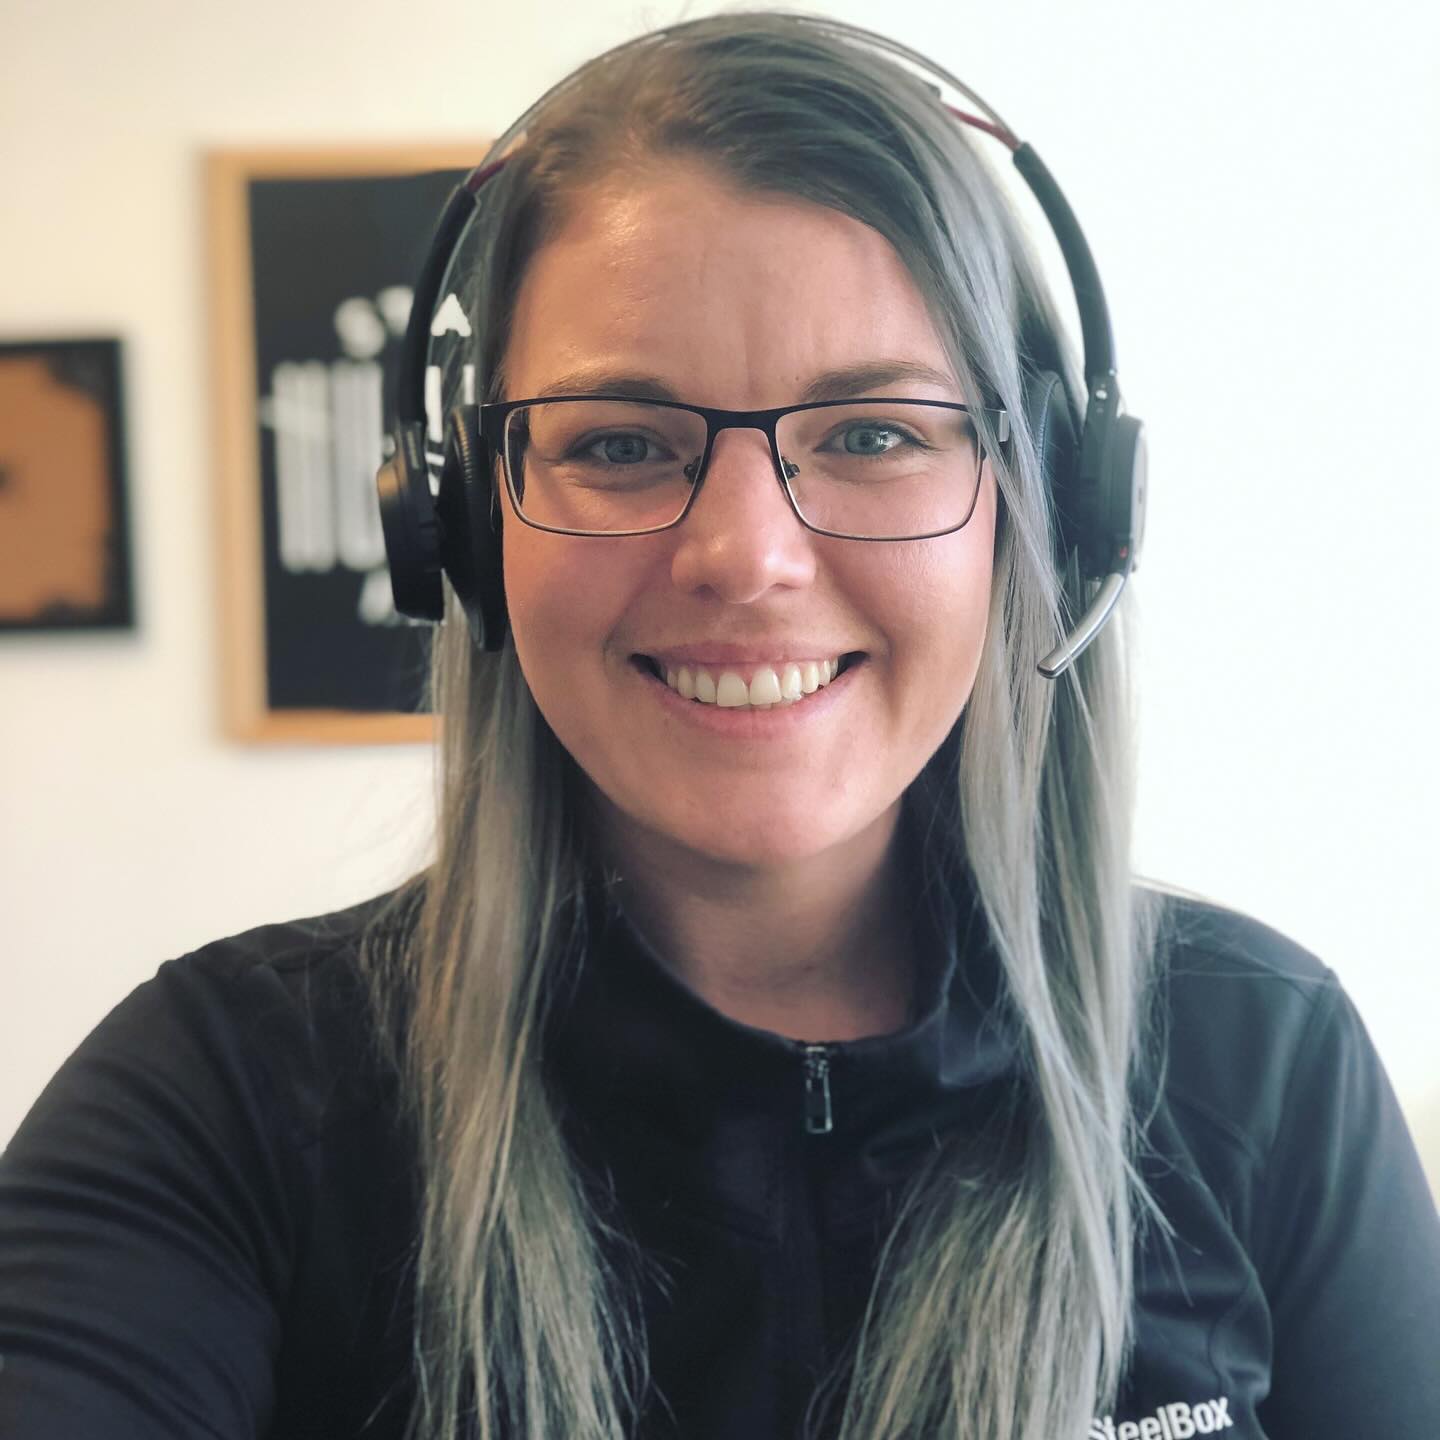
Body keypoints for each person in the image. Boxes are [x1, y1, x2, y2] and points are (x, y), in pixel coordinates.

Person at [2, 13, 1437, 1440]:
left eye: (873, 434)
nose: (746, 559)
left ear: (1046, 511)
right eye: (619, 443)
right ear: (467, 523)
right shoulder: (230, 1096)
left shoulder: (1261, 1062)